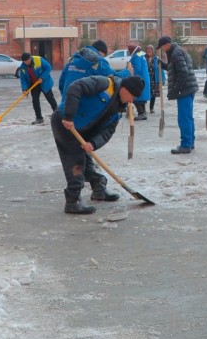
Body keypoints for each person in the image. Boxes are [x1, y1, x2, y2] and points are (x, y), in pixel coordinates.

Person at [51, 75, 145, 214]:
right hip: (65, 123)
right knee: (75, 162)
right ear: (125, 89)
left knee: (87, 162)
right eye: (132, 95)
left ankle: (99, 189)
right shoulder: (105, 84)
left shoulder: (119, 108)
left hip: (83, 131)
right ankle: (73, 201)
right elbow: (76, 87)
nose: (132, 101)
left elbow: (108, 132)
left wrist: (93, 144)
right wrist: (69, 116)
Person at [57, 40, 130, 201]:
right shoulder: (98, 62)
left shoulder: (72, 61)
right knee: (75, 159)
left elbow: (62, 86)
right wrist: (127, 72)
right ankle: (73, 201)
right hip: (70, 117)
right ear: (102, 52)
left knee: (83, 152)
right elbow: (113, 78)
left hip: (71, 110)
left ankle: (98, 187)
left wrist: (70, 105)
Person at [157, 35, 198, 154]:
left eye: (162, 47)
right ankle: (190, 142)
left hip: (185, 89)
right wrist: (164, 65)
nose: (162, 50)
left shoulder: (175, 53)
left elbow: (183, 72)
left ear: (167, 45)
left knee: (184, 118)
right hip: (189, 88)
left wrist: (177, 89)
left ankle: (185, 145)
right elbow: (175, 68)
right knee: (188, 117)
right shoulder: (178, 50)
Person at [19, 52, 57, 125]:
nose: (26, 63)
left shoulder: (38, 60)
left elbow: (48, 67)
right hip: (34, 84)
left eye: (27, 61)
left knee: (50, 99)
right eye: (24, 61)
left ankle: (58, 115)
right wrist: (24, 89)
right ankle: (39, 118)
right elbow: (23, 79)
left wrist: (42, 77)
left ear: (30, 58)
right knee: (35, 101)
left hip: (44, 82)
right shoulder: (23, 67)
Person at [127, 44, 151, 121]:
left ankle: (141, 113)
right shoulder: (141, 54)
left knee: (134, 96)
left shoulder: (136, 56)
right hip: (144, 78)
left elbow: (137, 69)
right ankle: (143, 113)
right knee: (141, 97)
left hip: (139, 79)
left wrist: (131, 73)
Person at [144, 45, 165, 114]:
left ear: (153, 51)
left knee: (153, 94)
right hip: (146, 78)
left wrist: (163, 79)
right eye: (148, 49)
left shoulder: (156, 58)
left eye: (151, 50)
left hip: (154, 78)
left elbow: (161, 69)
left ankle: (151, 108)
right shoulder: (143, 58)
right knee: (145, 93)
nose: (149, 51)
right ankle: (143, 109)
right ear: (146, 51)